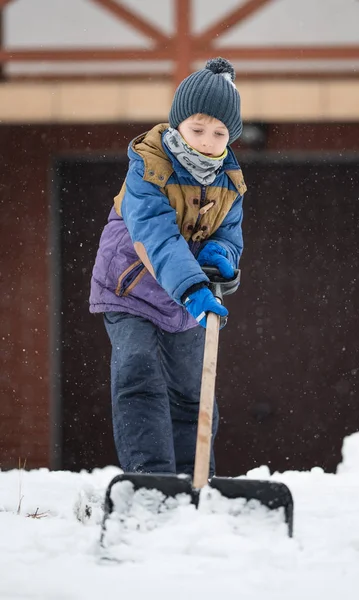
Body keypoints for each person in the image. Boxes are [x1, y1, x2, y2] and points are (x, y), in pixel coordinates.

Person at [89, 57, 246, 478]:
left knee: (193, 392)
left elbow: (230, 234)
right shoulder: (147, 166)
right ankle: (151, 480)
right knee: (139, 377)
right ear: (177, 124)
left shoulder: (229, 182)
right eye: (198, 129)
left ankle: (194, 481)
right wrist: (194, 287)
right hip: (132, 288)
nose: (208, 141)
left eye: (219, 133)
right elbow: (155, 234)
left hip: (188, 297)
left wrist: (221, 257)